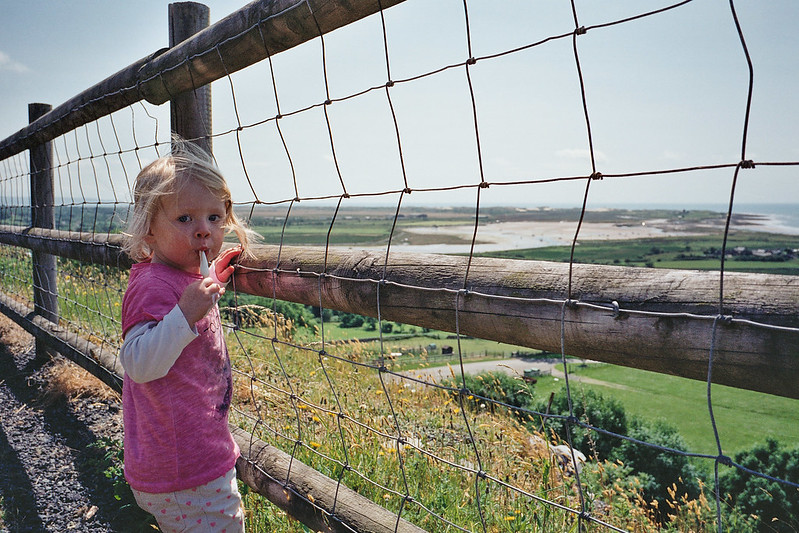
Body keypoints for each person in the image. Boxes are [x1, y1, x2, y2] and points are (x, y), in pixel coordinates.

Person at [120, 139, 256, 532]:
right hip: (184, 469)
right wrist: (186, 313)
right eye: (185, 220)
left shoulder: (180, 276)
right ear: (147, 228)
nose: (204, 232)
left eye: (215, 217)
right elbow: (139, 363)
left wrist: (211, 278)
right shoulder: (154, 286)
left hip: (184, 460)